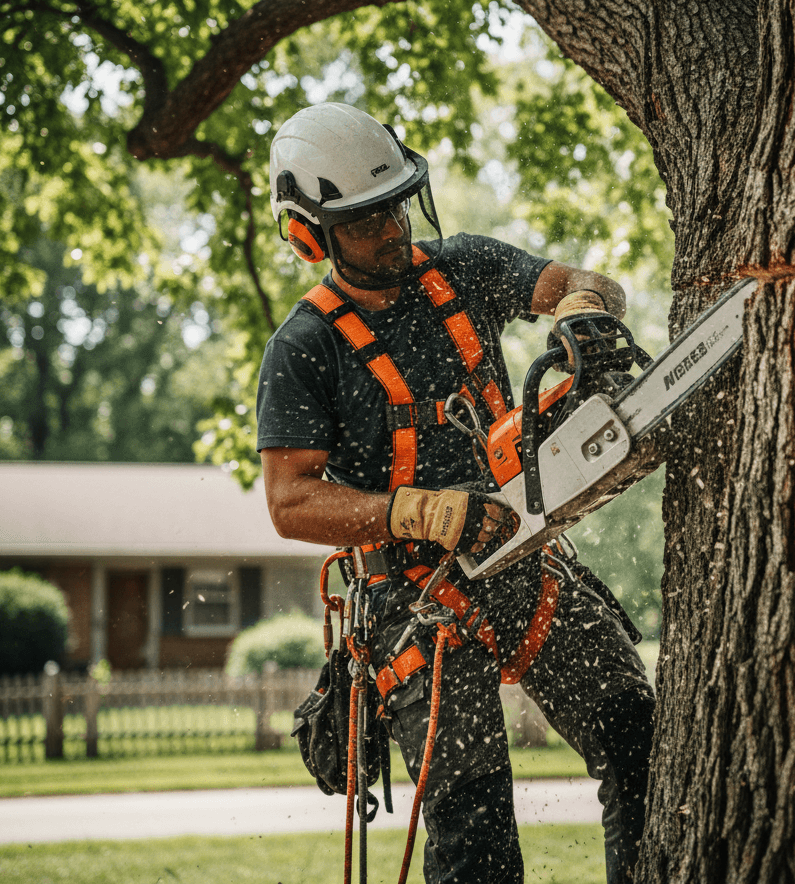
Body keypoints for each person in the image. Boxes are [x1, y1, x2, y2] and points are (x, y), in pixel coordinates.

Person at [256, 102, 655, 884]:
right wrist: (418, 510)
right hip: (418, 606)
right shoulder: (304, 348)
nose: (393, 230)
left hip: (523, 562)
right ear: (312, 235)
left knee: (639, 738)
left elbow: (583, 281)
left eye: (396, 207)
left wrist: (582, 314)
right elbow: (288, 500)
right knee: (475, 831)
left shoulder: (463, 266)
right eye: (367, 222)